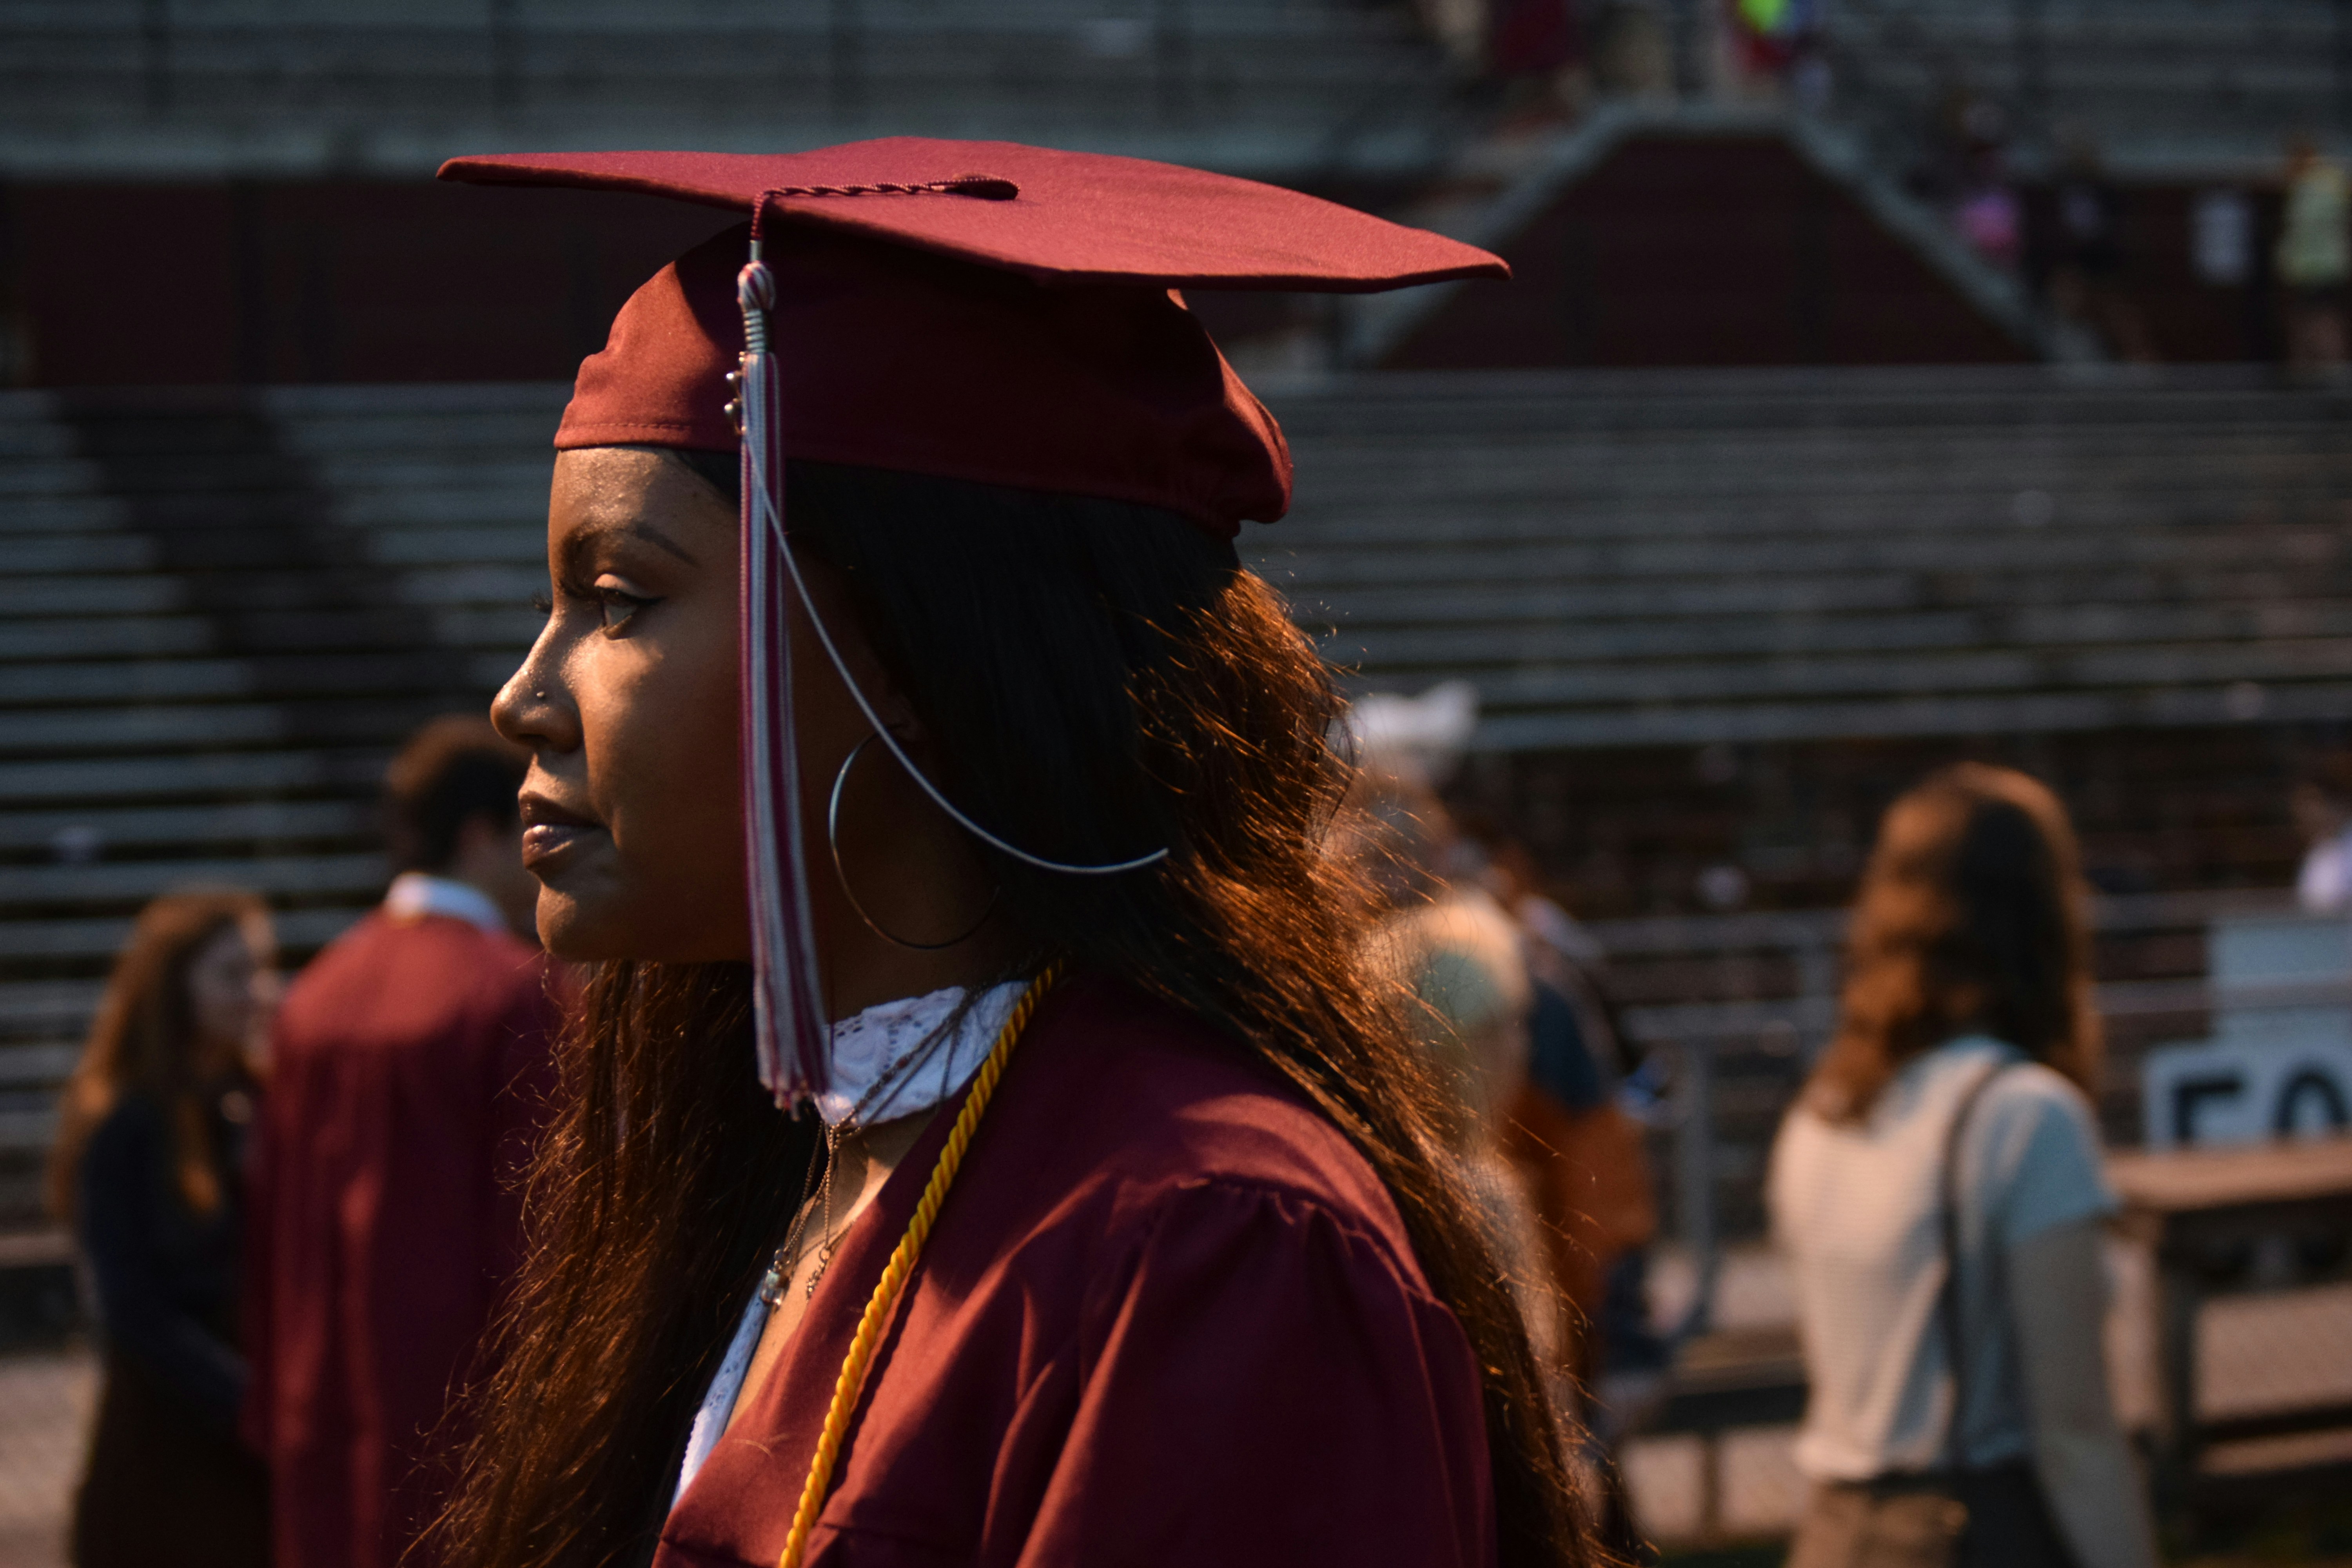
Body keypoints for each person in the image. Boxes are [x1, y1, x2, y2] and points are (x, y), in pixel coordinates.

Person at [421, 141, 1590, 1568]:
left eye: (616, 598)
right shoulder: (824, 1153)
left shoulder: (1209, 1247)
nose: (522, 697)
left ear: (909, 653)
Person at [1769, 765, 2157, 1568]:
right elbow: (2076, 1432)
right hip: (1972, 1527)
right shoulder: (2025, 1116)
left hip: (1833, 1533)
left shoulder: (1824, 1113)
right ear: (2043, 914)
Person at [241, 717, 561, 1568]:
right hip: (460, 1416)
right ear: (480, 835)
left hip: (320, 1402)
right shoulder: (515, 993)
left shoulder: (313, 996)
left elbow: (270, 1226)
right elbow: (534, 1232)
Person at [48, 890, 277, 1568]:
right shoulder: (126, 1122)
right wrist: (243, 1398)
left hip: (248, 1435)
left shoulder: (255, 1100)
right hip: (168, 1428)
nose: (256, 992)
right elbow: (130, 1304)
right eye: (232, 974)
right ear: (176, 989)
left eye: (262, 969)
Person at [2279, 133, 2350, 376]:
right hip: (2317, 267)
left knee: (2320, 319)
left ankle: (2328, 371)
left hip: (2316, 268)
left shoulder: (2316, 188)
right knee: (2308, 319)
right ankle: (2313, 371)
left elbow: (2304, 233)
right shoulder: (2326, 183)